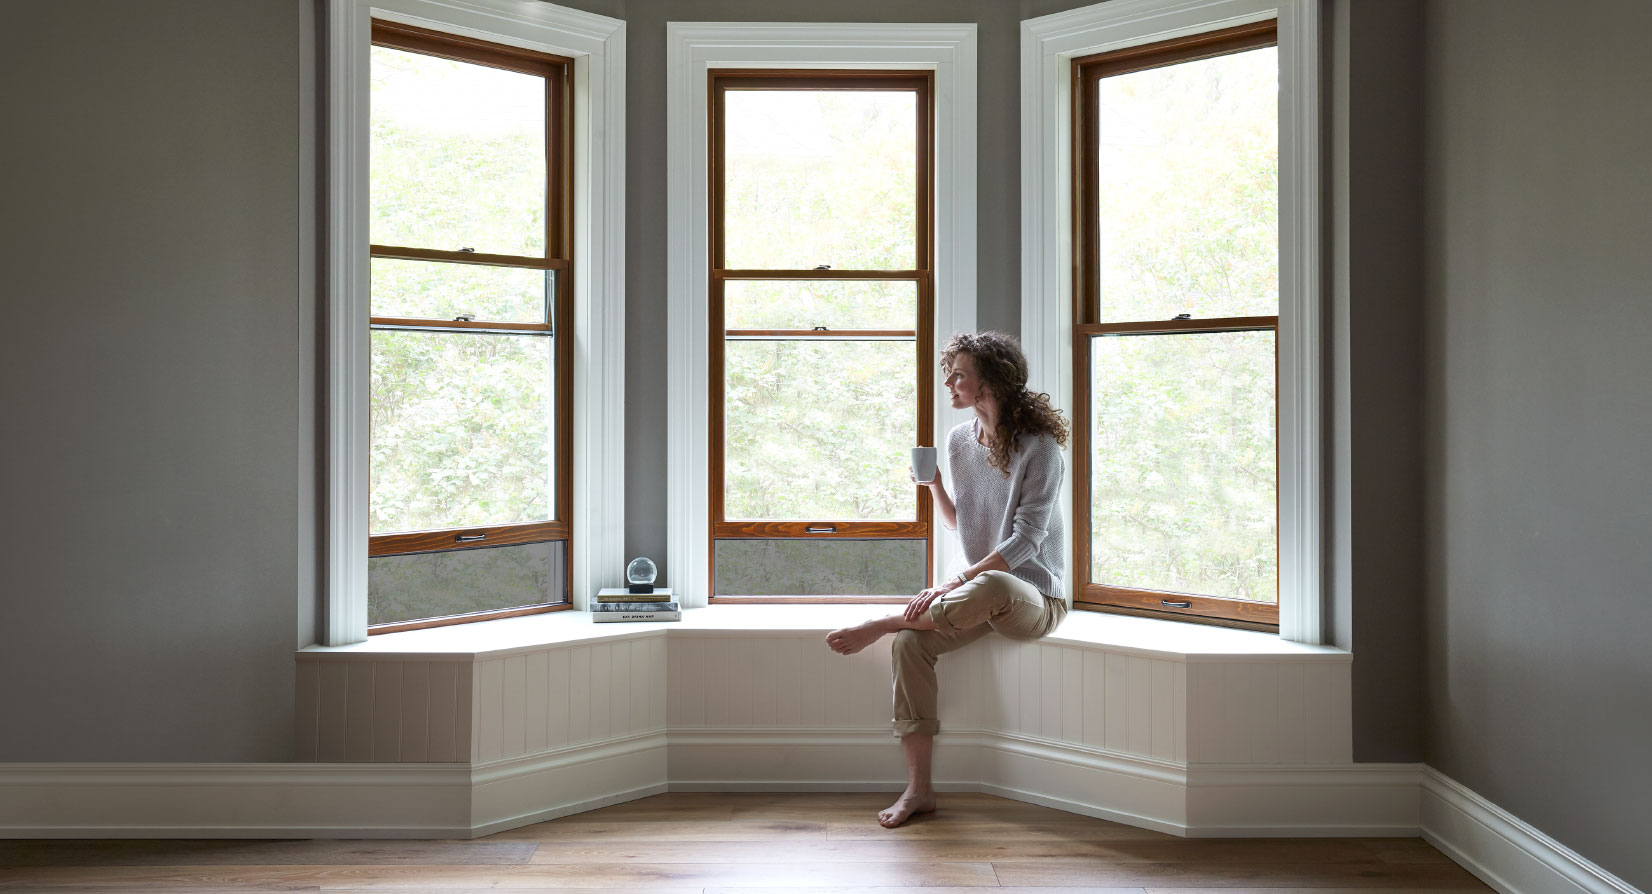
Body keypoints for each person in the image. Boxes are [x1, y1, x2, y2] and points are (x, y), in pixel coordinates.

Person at [826, 331, 1070, 828]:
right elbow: (961, 523)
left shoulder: (1040, 449)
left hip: (1034, 597)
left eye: (959, 373)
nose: (949, 381)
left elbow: (1025, 542)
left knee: (991, 587)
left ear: (992, 381)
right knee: (909, 648)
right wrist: (934, 482)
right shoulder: (961, 441)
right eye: (950, 371)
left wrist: (953, 582)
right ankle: (919, 791)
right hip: (977, 594)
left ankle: (886, 621)